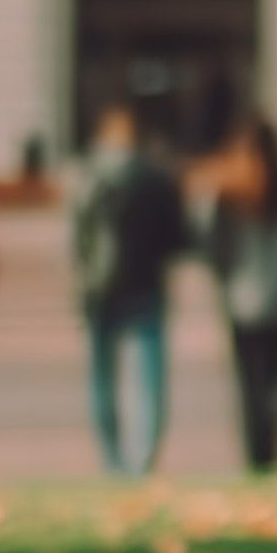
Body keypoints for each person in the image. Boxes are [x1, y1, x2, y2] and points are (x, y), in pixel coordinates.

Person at [189, 111, 277, 472]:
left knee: (248, 382)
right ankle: (273, 451)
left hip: (240, 298)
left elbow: (210, 248)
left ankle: (256, 454)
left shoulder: (228, 193)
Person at [71, 102, 188, 478]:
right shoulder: (156, 177)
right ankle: (143, 459)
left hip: (99, 290)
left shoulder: (86, 176)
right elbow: (177, 238)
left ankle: (112, 459)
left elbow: (76, 240)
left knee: (101, 377)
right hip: (145, 286)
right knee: (149, 381)